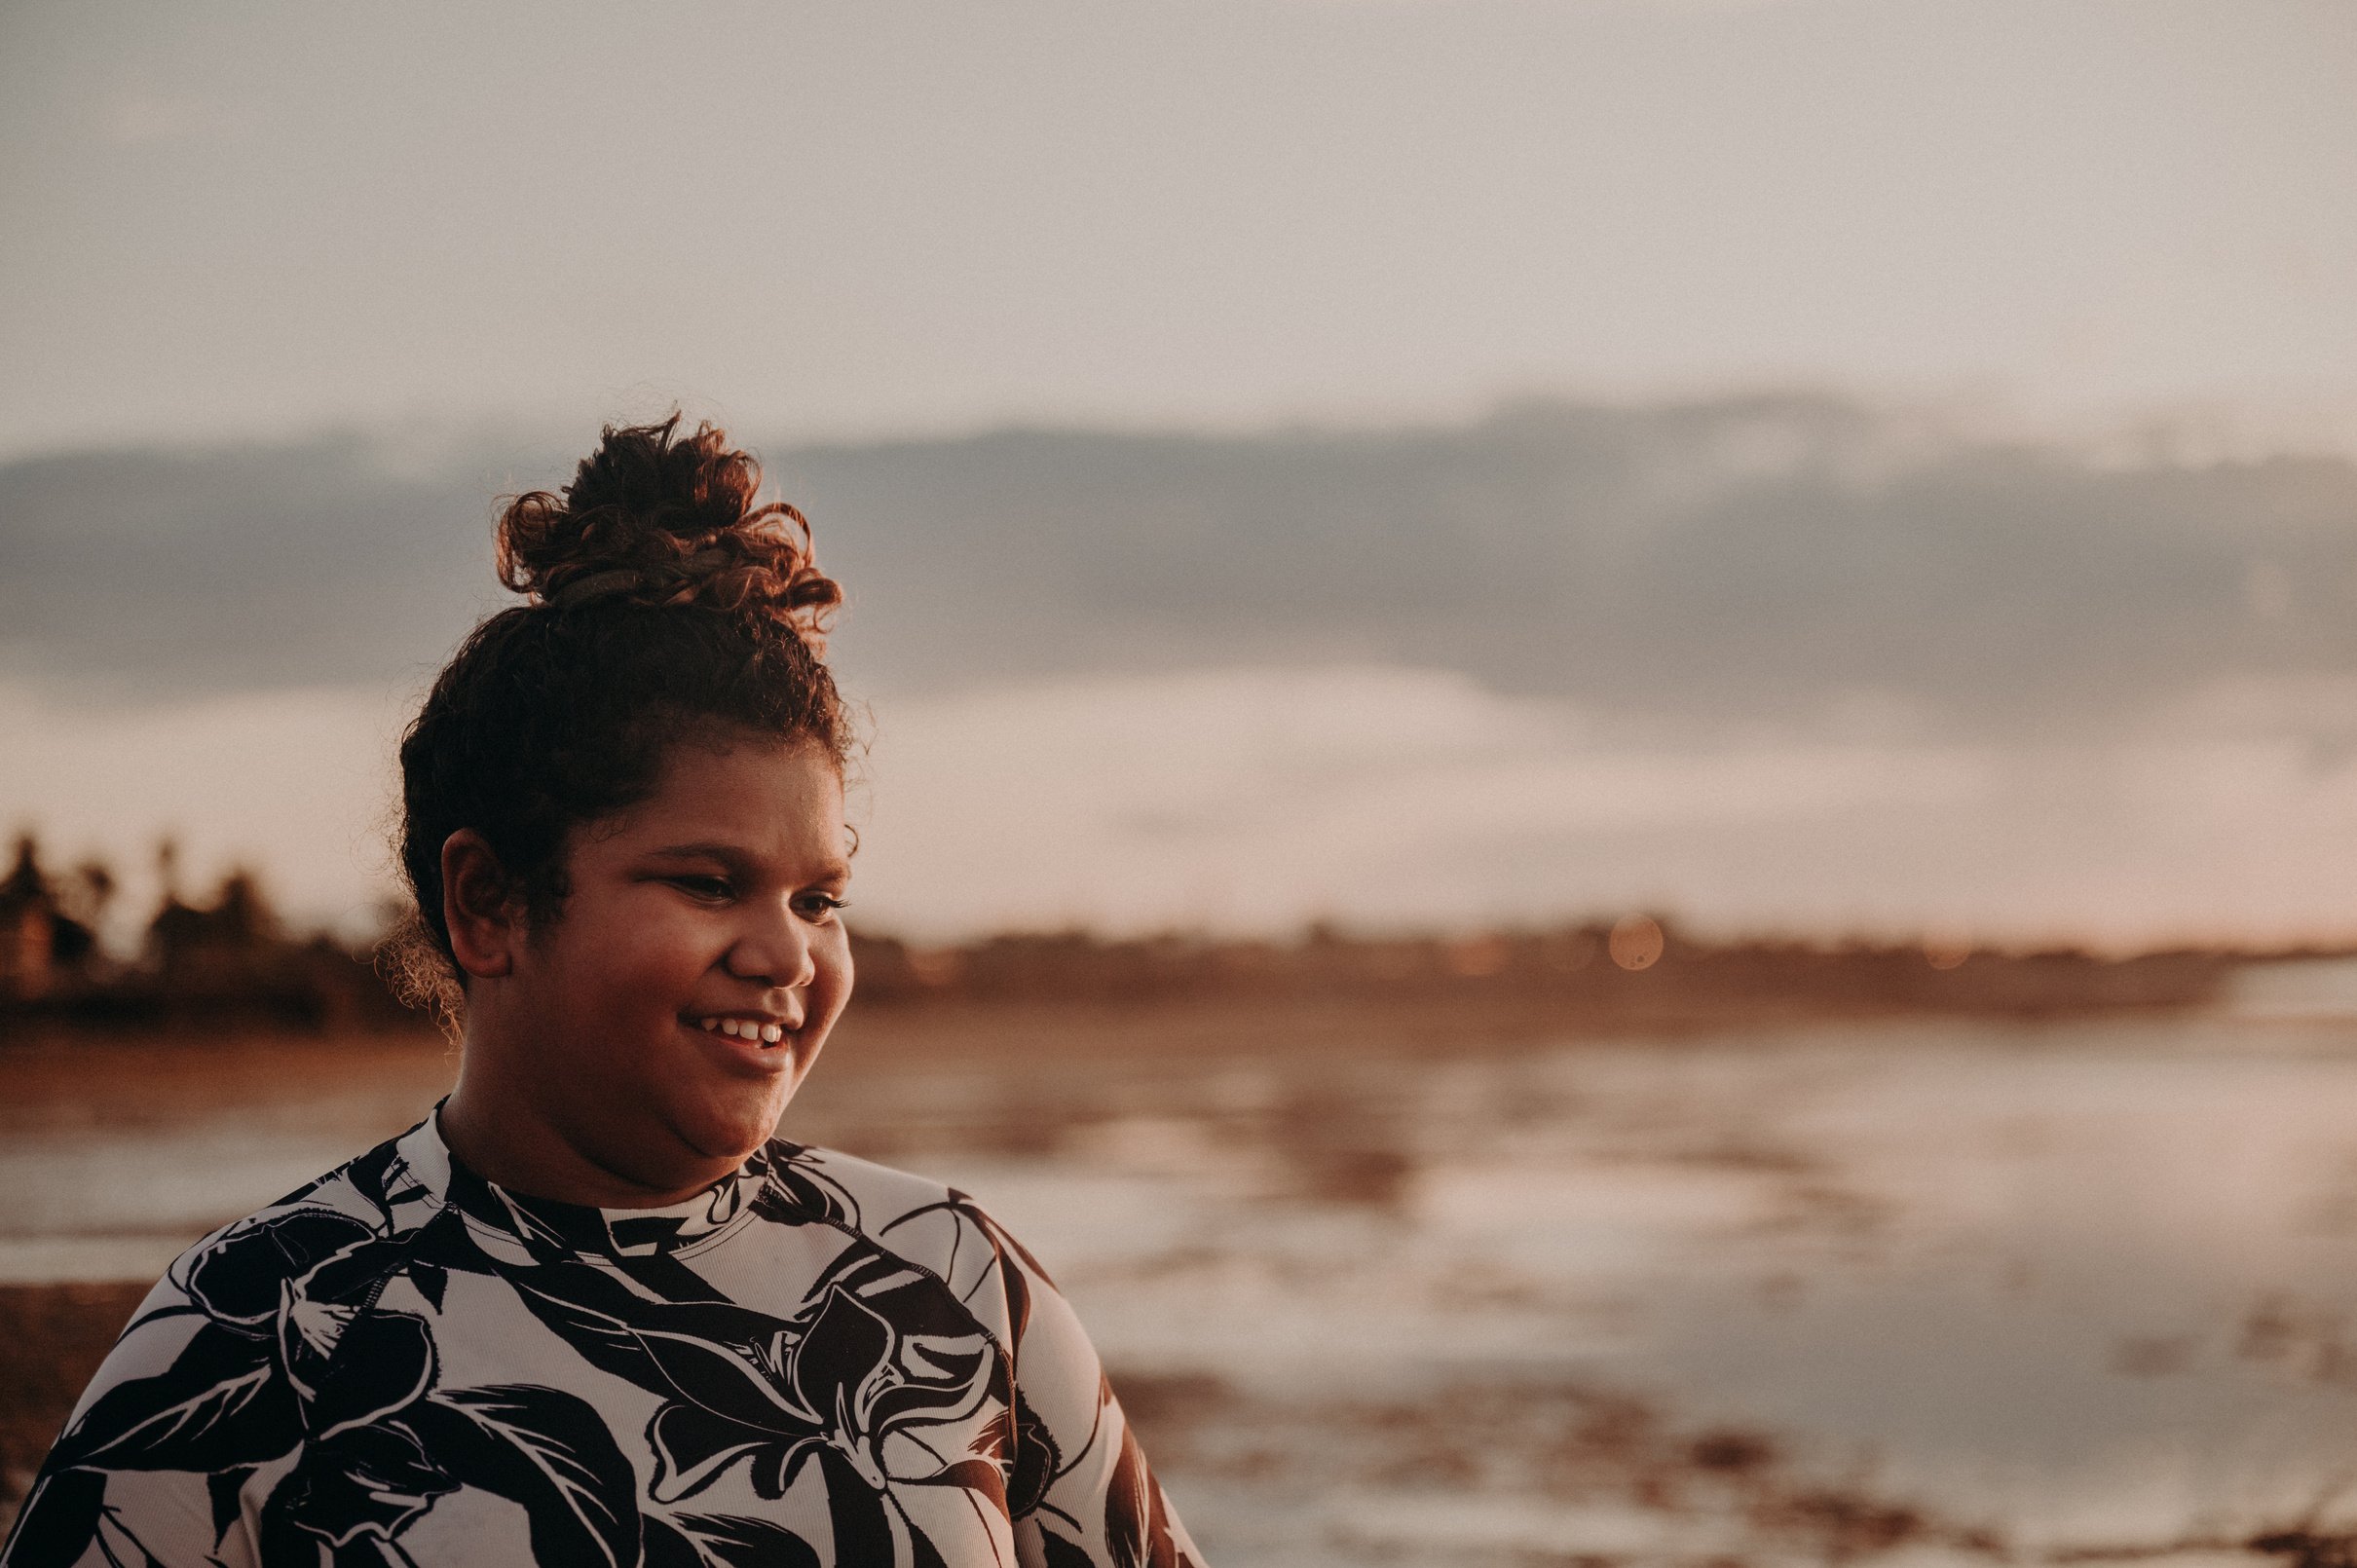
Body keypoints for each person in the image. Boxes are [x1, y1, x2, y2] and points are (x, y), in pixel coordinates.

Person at [1, 418, 1203, 1568]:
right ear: (490, 903)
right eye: (709, 881)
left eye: (818, 897)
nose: (787, 954)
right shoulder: (263, 1330)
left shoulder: (945, 1280)